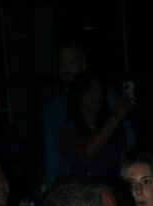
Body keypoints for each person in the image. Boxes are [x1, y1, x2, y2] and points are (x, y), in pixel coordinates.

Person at [42, 42, 135, 187]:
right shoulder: (53, 108)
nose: (66, 68)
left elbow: (127, 141)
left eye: (71, 62)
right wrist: (51, 187)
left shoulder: (108, 97)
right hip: (71, 188)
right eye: (62, 64)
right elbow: (51, 155)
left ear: (83, 64)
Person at [60, 72, 133, 179]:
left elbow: (123, 168)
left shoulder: (115, 129)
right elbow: (85, 155)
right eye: (92, 90)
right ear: (79, 97)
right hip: (84, 192)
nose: (98, 95)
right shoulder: (69, 130)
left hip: (112, 191)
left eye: (100, 91)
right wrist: (114, 118)